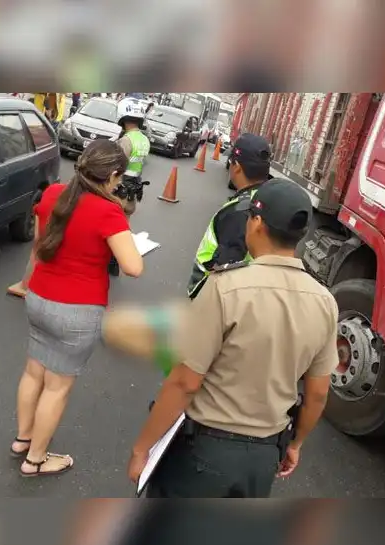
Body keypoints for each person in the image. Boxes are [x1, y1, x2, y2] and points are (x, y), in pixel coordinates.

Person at [127, 178, 339, 498]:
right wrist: (295, 444)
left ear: (257, 223)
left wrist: (142, 448)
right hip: (264, 458)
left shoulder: (225, 287)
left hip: (204, 453)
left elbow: (185, 381)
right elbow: (318, 393)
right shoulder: (325, 302)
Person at [10, 139, 144, 477]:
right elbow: (133, 266)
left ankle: (23, 440)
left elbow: (39, 245)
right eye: (118, 178)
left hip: (38, 298)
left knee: (33, 372)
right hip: (77, 311)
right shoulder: (109, 211)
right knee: (57, 387)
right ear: (111, 176)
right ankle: (35, 460)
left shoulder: (53, 193)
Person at [185, 133, 272, 299]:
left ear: (236, 166)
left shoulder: (240, 211)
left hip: (211, 296)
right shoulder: (266, 198)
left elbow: (226, 268)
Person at [108, 100, 150, 277]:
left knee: (111, 226)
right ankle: (117, 260)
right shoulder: (144, 140)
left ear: (123, 119)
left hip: (119, 188)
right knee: (124, 225)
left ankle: (111, 259)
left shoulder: (126, 140)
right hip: (134, 189)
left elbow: (115, 165)